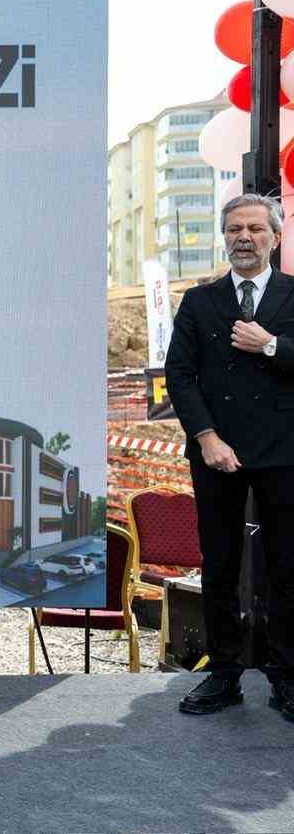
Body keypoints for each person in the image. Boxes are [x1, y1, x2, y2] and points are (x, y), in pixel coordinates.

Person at [164, 193, 294, 720]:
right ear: (224, 237)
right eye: (235, 229)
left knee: (288, 566)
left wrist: (270, 345)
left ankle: (287, 676)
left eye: (256, 229)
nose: (245, 237)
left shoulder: (293, 296)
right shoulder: (200, 302)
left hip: (284, 452)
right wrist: (206, 437)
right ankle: (223, 674)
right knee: (218, 565)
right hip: (217, 452)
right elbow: (180, 375)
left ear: (275, 238)